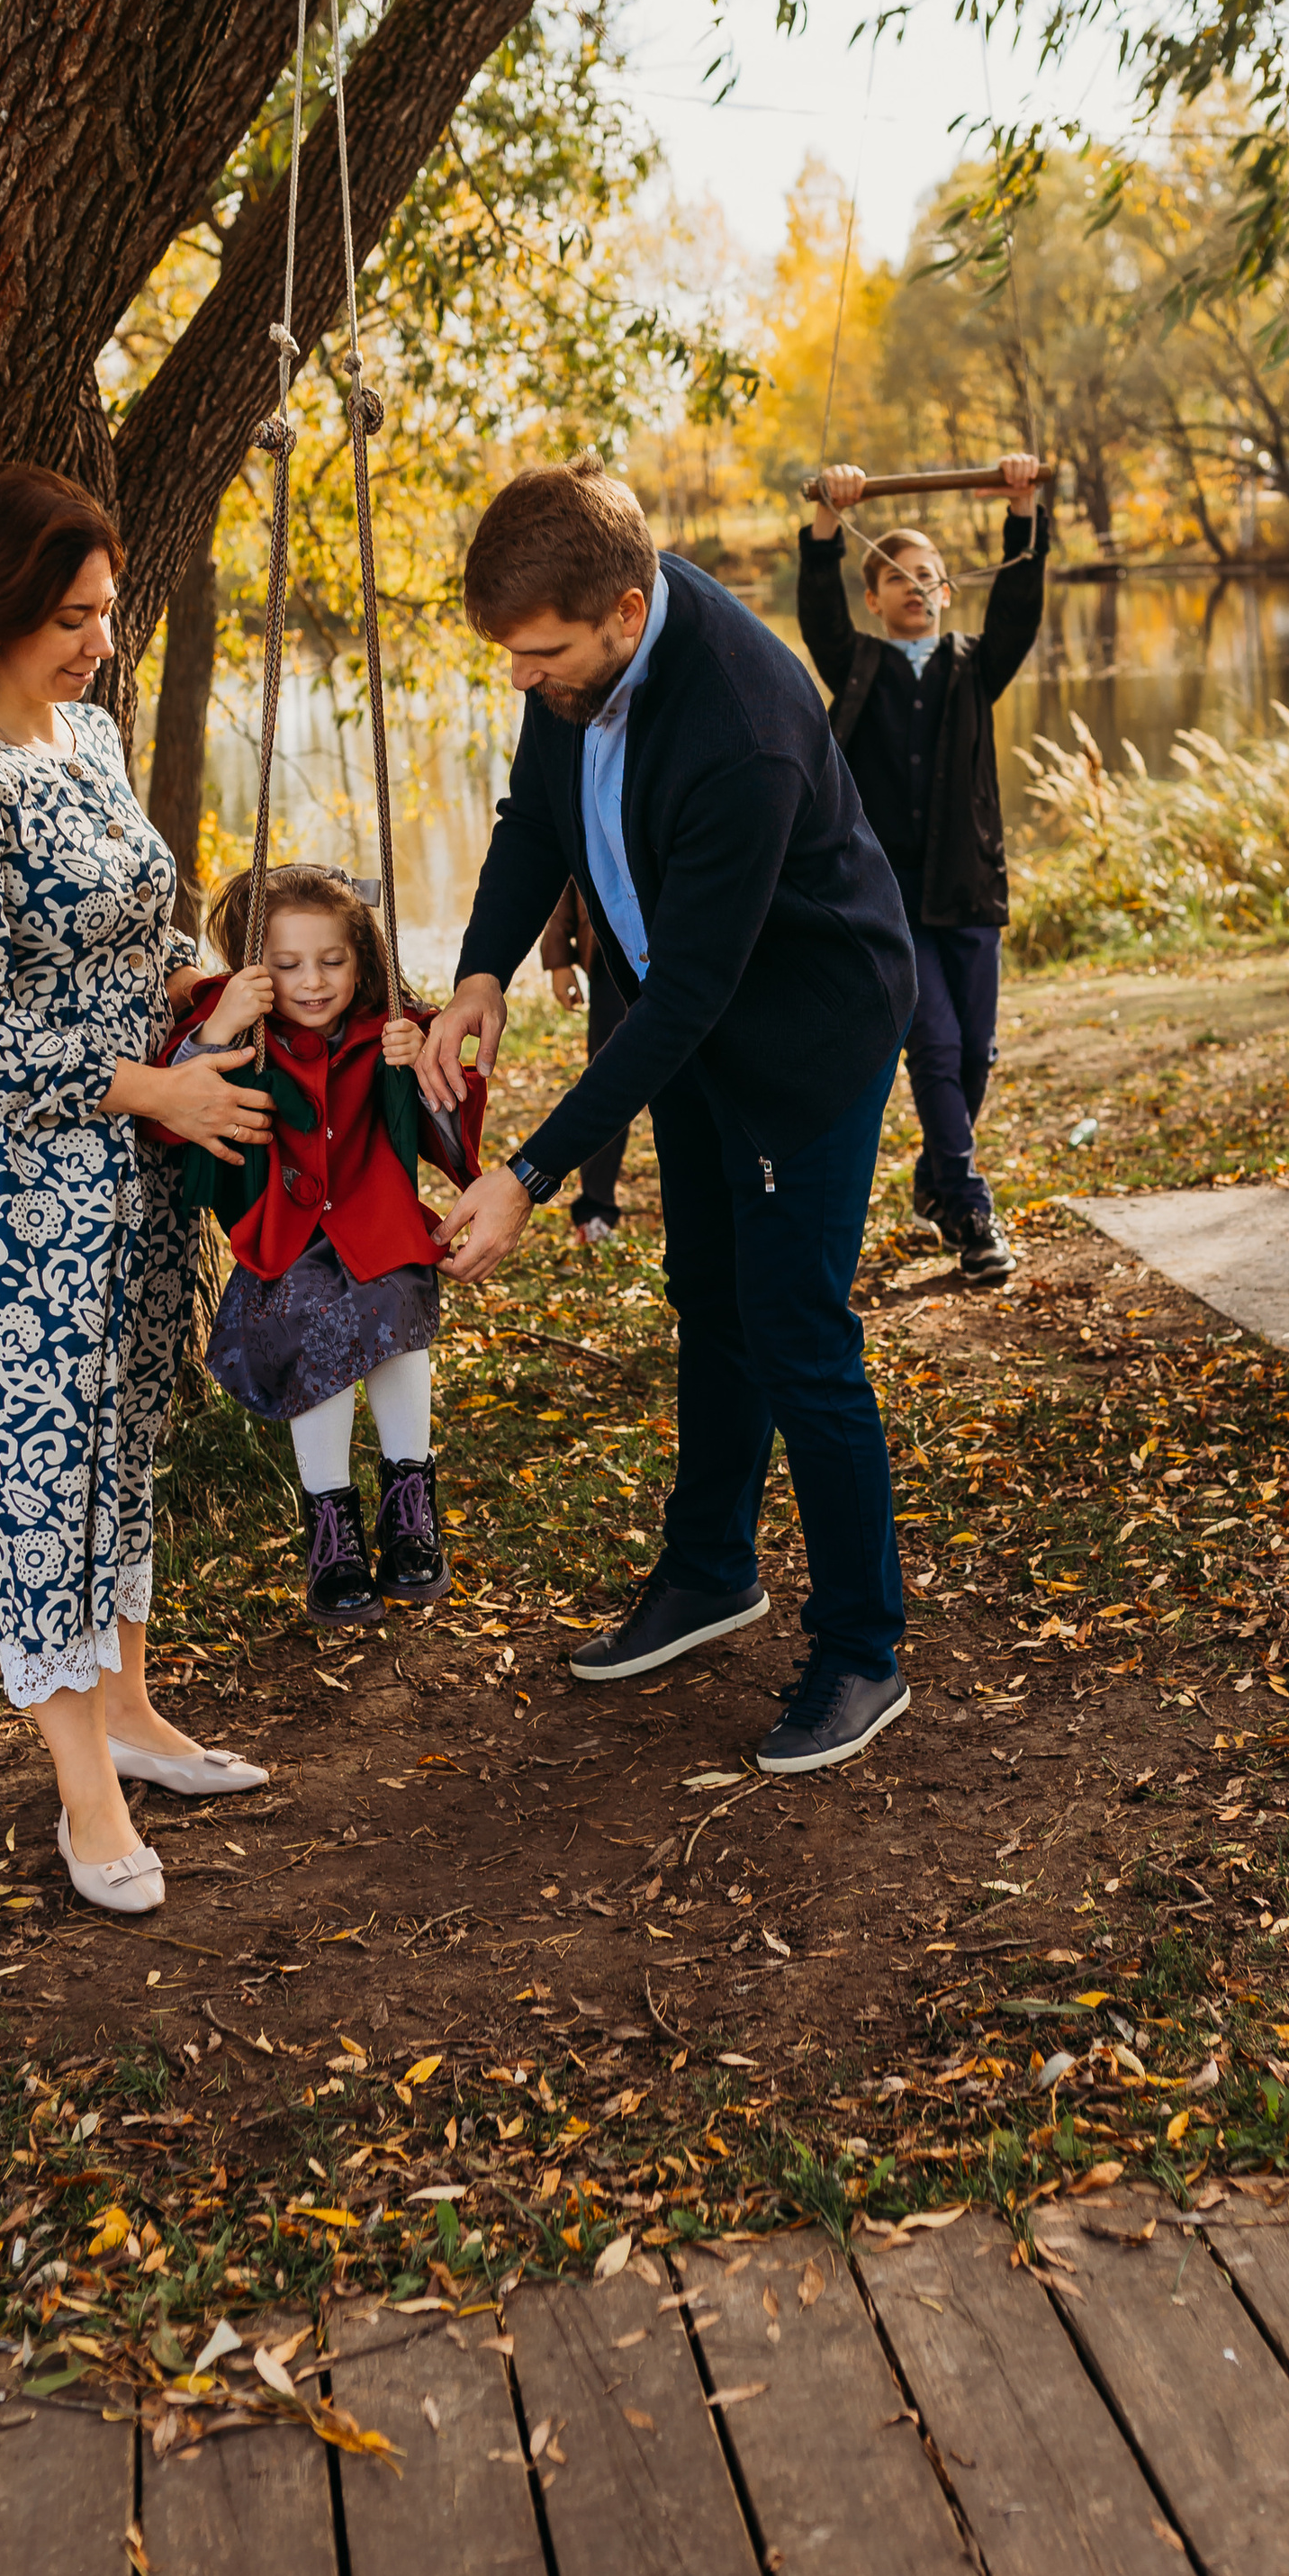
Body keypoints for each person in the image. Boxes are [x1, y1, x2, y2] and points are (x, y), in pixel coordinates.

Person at [412, 452, 919, 1777]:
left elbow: (693, 995)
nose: (523, 679)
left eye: (541, 655)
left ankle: (864, 1649)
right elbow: (535, 818)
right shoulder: (579, 649)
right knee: (710, 1291)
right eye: (513, 656)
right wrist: (480, 974)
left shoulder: (740, 727)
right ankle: (711, 1573)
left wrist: (530, 1169)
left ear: (625, 616)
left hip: (800, 1037)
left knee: (798, 1332)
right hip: (687, 1021)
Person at [0, 466, 275, 1924]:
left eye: (106, 612)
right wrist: (157, 1088)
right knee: (36, 1471)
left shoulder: (85, 738)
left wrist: (205, 987)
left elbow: (134, 925)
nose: (104, 641)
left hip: (123, 1158)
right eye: (78, 617)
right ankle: (87, 1796)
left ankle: (139, 1720)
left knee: (119, 1436)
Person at [155, 862, 480, 1617]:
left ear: (361, 961)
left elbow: (449, 1129)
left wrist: (422, 1068)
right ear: (254, 971)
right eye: (287, 965)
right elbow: (169, 1113)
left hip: (376, 1225)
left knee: (396, 1301)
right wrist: (218, 1027)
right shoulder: (242, 1031)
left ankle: (410, 1501)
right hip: (286, 1238)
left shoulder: (391, 1030)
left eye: (332, 961)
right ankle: (330, 1526)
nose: (312, 981)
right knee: (312, 1328)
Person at [798, 453, 1048, 1285]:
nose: (916, 587)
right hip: (890, 907)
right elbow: (818, 620)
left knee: (974, 1053)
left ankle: (938, 1180)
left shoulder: (976, 667)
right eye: (899, 577)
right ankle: (972, 1210)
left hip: (969, 890)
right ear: (875, 597)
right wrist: (830, 521)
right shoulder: (859, 666)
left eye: (929, 577)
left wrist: (1021, 509)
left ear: (948, 591)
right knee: (935, 1049)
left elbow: (1020, 603)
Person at [538, 882, 630, 1246]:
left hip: (680, 946)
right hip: (611, 959)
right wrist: (559, 957)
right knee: (610, 1084)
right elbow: (568, 866)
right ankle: (596, 1208)